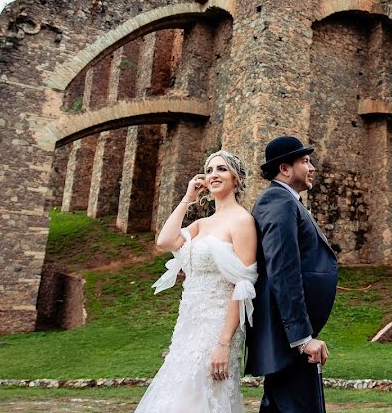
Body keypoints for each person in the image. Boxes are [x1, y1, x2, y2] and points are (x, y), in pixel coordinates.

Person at [135, 150, 257, 413]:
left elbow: (243, 286)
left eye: (222, 169)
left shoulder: (243, 221)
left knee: (200, 397)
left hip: (217, 329)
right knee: (176, 396)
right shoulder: (201, 224)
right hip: (187, 327)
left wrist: (224, 344)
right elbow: (165, 241)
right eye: (210, 170)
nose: (214, 175)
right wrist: (188, 198)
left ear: (236, 178)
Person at [245, 136, 339, 412]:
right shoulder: (278, 201)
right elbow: (283, 270)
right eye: (305, 161)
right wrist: (302, 338)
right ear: (285, 169)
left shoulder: (287, 201)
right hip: (287, 338)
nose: (312, 168)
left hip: (288, 336)